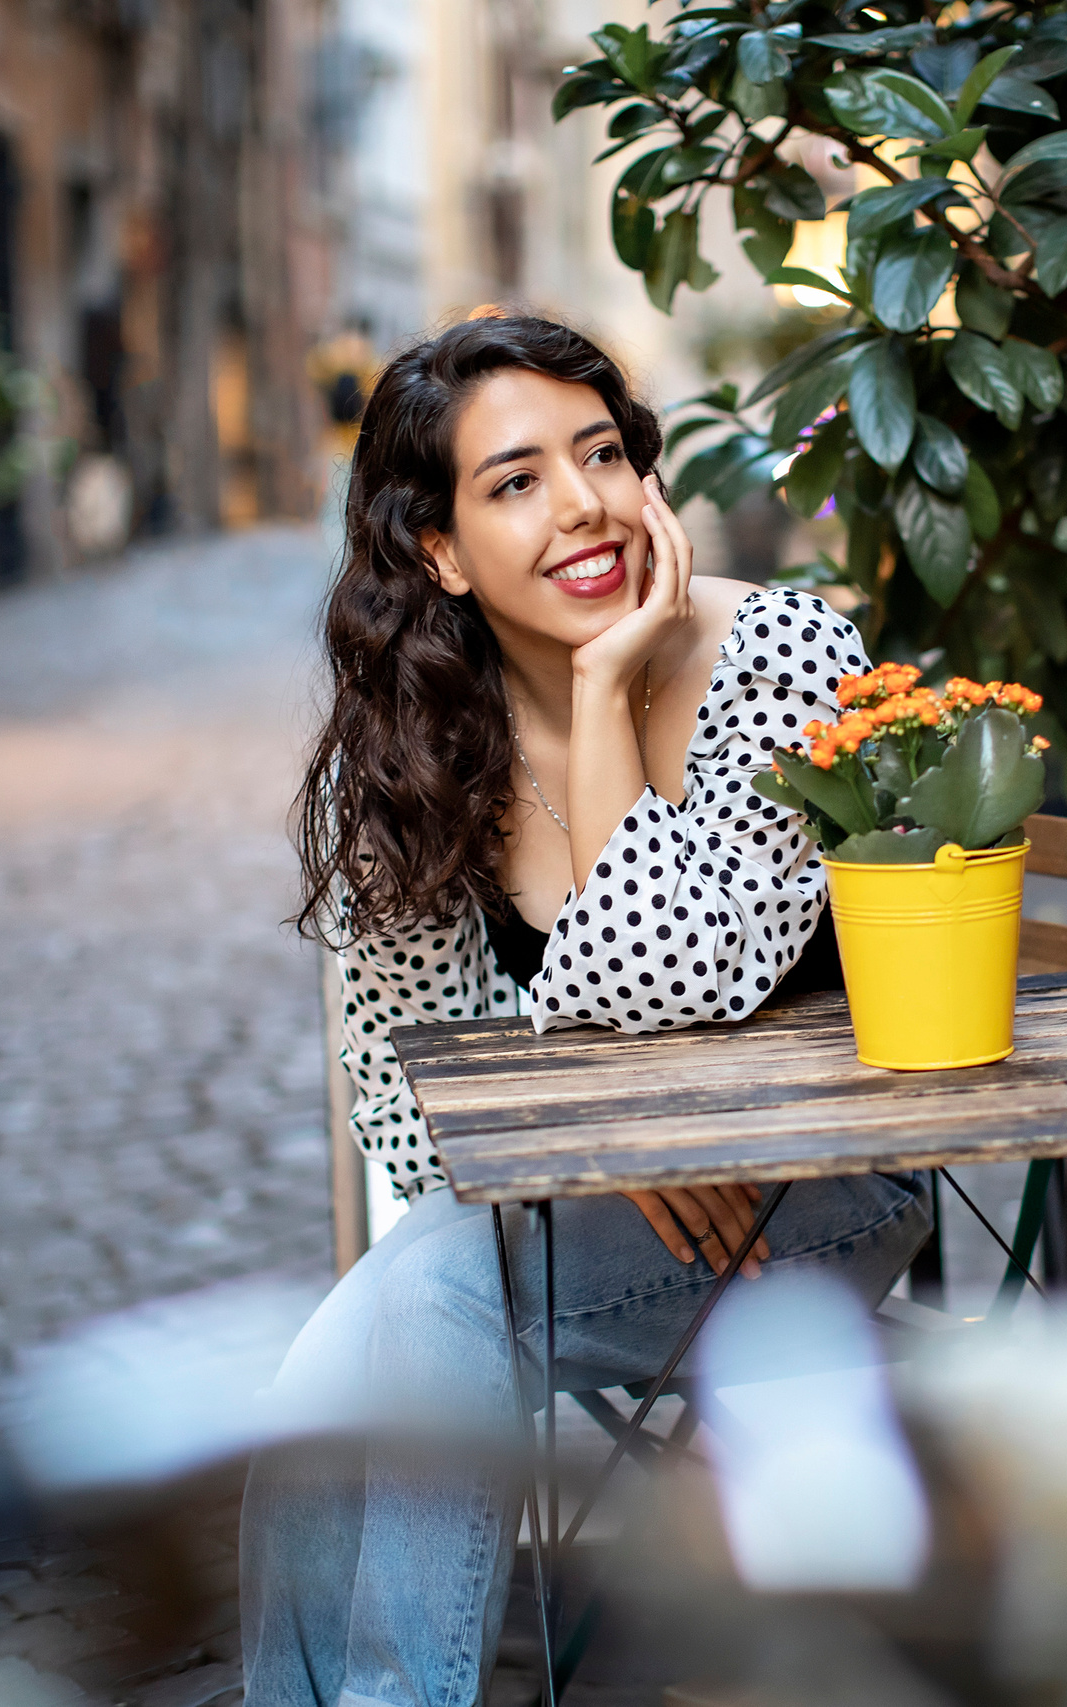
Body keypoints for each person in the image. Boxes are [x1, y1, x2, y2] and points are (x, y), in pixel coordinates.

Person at [241, 313, 931, 1707]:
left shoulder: (782, 657)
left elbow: (683, 983)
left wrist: (611, 687)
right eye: (516, 481)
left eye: (601, 452)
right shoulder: (428, 730)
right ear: (438, 550)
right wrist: (606, 1153)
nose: (583, 505)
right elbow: (413, 1093)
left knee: (404, 1315)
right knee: (340, 1367)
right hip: (586, 1217)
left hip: (812, 1201)